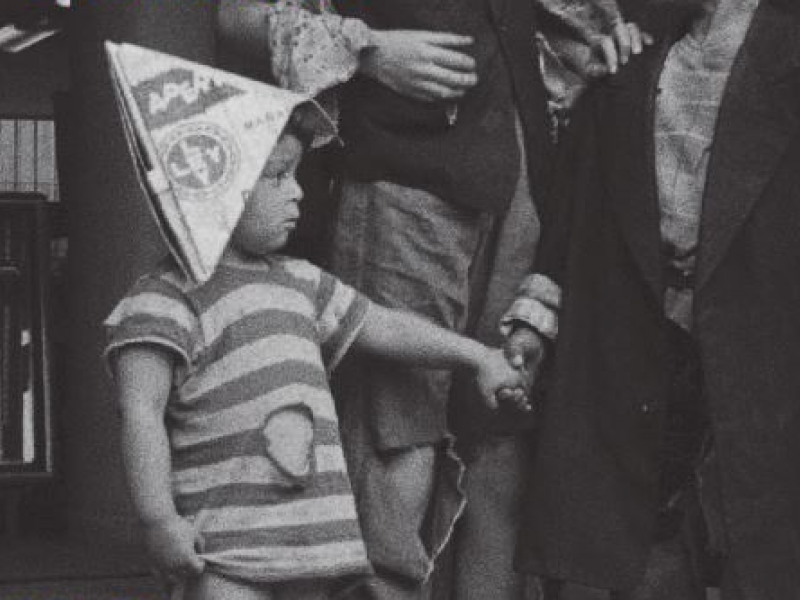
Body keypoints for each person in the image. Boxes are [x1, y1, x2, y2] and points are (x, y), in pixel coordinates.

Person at [215, 2, 649, 599]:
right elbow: (236, 16)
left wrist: (601, 45)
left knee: (501, 444)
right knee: (399, 448)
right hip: (403, 185)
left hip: (522, 191)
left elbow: (560, 28)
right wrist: (367, 52)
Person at [105, 90, 532, 600]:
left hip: (313, 552)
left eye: (296, 175)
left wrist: (476, 356)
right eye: (277, 177)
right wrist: (158, 520)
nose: (298, 194)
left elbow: (384, 326)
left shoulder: (302, 282)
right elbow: (141, 414)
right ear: (211, 189)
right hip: (221, 554)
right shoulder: (162, 302)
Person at [503, 0, 800, 597]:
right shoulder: (633, 57)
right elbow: (575, 221)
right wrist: (535, 322)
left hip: (760, 386)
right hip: (634, 373)